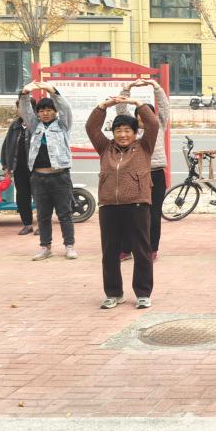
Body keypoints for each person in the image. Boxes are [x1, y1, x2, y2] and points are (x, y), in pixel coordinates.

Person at [86, 96, 159, 310]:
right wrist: (102, 106)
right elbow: (91, 127)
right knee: (109, 252)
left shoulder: (144, 147)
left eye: (127, 130)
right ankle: (113, 293)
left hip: (137, 204)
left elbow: (153, 124)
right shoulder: (104, 147)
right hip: (109, 206)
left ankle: (143, 293)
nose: (123, 135)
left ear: (135, 133)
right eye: (118, 130)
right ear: (113, 133)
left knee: (141, 251)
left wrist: (138, 104)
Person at [19, 81, 77, 260]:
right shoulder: (34, 125)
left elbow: (65, 108)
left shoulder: (63, 125)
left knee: (64, 214)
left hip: (60, 177)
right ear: (37, 113)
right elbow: (25, 111)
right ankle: (45, 247)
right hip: (38, 177)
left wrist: (51, 90)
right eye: (41, 110)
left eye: (49, 110)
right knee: (43, 215)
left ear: (55, 111)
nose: (45, 113)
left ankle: (69, 246)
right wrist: (25, 94)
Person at [117, 78, 170, 262]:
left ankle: (152, 249)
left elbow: (164, 107)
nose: (142, 117)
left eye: (146, 114)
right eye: (139, 114)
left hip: (155, 175)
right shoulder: (130, 131)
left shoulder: (158, 126)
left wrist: (156, 86)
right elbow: (121, 110)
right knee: (129, 214)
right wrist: (127, 88)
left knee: (153, 215)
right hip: (133, 175)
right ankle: (126, 249)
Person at [0, 96, 34, 235]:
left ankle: (42, 224)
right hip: (19, 168)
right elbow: (7, 145)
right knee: (22, 197)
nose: (21, 110)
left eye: (25, 107)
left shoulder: (37, 125)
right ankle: (27, 224)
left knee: (41, 197)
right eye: (19, 107)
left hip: (36, 168)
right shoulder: (15, 125)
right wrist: (6, 166)